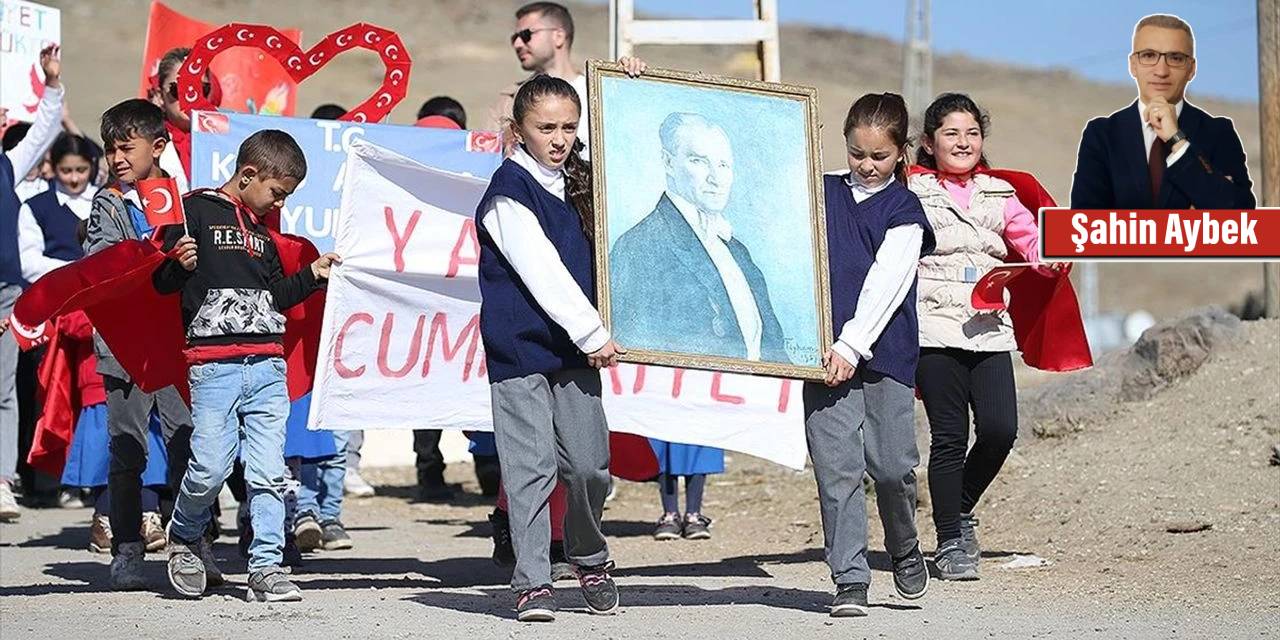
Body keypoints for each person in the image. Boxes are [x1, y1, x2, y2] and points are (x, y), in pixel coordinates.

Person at [155, 129, 340, 603]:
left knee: (268, 472)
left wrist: (312, 277)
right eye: (277, 193)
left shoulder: (263, 233)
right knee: (211, 466)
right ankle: (184, 535)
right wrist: (178, 264)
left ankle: (266, 566)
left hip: (267, 367)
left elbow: (275, 298)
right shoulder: (192, 209)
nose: (278, 203)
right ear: (249, 174)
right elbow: (159, 282)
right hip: (213, 367)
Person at [476, 73, 632, 622]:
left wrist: (626, 81)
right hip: (521, 349)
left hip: (573, 353)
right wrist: (594, 333)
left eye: (569, 126)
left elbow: (636, 157)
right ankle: (534, 580)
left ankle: (589, 555)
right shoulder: (507, 193)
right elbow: (541, 271)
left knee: (590, 466)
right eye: (546, 128)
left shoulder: (582, 183)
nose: (560, 138)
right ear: (519, 131)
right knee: (531, 468)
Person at [804, 92, 935, 616]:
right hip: (819, 355)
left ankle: (903, 546)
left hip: (883, 353)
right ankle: (849, 579)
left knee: (890, 467)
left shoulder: (905, 209)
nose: (866, 165)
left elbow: (886, 283)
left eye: (879, 156)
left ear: (901, 152)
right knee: (836, 469)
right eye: (857, 153)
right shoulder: (820, 192)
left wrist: (852, 345)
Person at [907, 93, 1042, 581]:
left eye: (971, 133)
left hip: (988, 324)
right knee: (948, 434)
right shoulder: (911, 190)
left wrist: (1048, 255)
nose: (963, 142)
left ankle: (960, 507)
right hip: (933, 322)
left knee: (1001, 429)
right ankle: (949, 542)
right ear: (929, 141)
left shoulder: (1001, 193)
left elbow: (1031, 237)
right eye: (951, 133)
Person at [86, 98, 198, 590]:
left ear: (158, 146)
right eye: (110, 150)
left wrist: (187, 257)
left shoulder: (181, 199)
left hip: (173, 342)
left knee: (185, 443)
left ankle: (192, 545)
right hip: (123, 346)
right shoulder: (107, 203)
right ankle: (127, 546)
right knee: (128, 449)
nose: (117, 159)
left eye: (126, 148)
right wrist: (155, 250)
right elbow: (103, 261)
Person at [608, 113, 788, 363]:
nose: (716, 178)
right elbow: (634, 353)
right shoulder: (639, 246)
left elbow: (773, 349)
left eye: (724, 165)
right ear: (668, 162)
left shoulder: (737, 250)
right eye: (699, 161)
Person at [1070, 14, 1255, 209]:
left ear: (1191, 69)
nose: (1161, 71)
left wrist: (1177, 141)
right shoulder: (1102, 135)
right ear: (1133, 65)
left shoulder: (1218, 133)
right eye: (1149, 55)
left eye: (1175, 58)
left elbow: (1241, 216)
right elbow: (1085, 223)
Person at [1, 45, 62, 522]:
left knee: (3, 390)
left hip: (5, 290)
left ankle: (3, 481)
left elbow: (43, 134)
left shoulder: (7, 165)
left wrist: (52, 83)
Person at [490, 2, 592, 158]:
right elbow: (485, 158)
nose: (517, 44)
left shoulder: (597, 93)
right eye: (514, 38)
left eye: (526, 35)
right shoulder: (508, 99)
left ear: (558, 36)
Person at [17, 133, 100, 283]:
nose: (74, 179)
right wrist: (74, 270)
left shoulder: (106, 200)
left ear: (92, 165)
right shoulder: (36, 207)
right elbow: (28, 262)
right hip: (58, 293)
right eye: (66, 171)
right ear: (54, 168)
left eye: (81, 170)